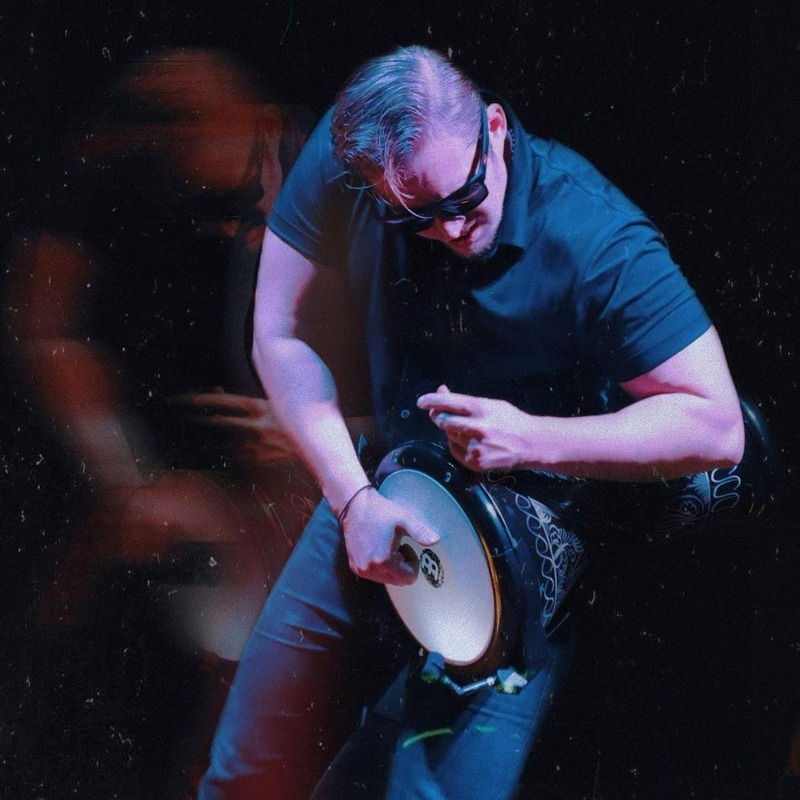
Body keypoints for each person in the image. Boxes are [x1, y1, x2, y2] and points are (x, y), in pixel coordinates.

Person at [198, 44, 751, 800]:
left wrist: (528, 437)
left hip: (524, 539)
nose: (451, 230)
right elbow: (278, 335)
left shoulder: (595, 237)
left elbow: (718, 426)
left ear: (493, 128)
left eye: (463, 197)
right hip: (384, 485)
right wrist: (352, 499)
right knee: (246, 770)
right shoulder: (353, 150)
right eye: (415, 217)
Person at [4, 48, 326, 798]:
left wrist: (306, 437)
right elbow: (46, 326)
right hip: (142, 491)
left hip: (276, 498)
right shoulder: (112, 173)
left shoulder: (323, 180)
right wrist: (127, 481)